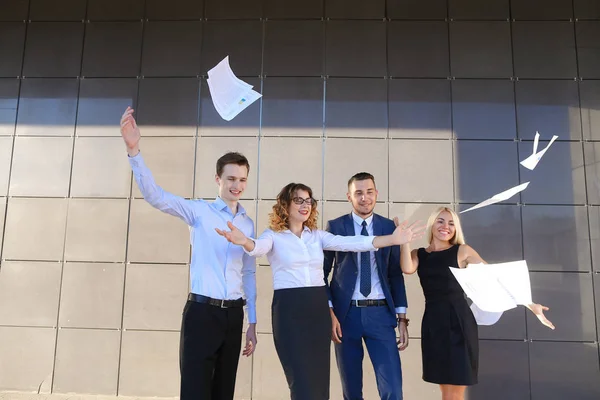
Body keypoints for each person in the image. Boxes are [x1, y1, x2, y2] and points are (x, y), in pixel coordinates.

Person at [216, 182, 424, 400]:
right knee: (300, 380)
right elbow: (258, 248)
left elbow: (354, 243)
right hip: (289, 309)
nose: (305, 205)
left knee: (319, 381)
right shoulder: (273, 235)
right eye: (298, 200)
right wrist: (244, 242)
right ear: (285, 205)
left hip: (317, 308)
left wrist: (394, 239)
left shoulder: (317, 235)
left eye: (308, 201)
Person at [119, 107, 257, 400]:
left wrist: (252, 322)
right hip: (202, 313)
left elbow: (248, 273)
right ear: (217, 179)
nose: (237, 186)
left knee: (224, 393)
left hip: (233, 316)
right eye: (231, 179)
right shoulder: (199, 211)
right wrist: (134, 151)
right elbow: (156, 196)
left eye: (242, 180)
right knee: (195, 391)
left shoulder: (247, 223)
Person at [399, 206, 555, 400]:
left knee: (456, 389)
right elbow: (407, 268)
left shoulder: (462, 251)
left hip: (459, 322)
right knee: (445, 388)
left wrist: (530, 304)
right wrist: (403, 241)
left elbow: (496, 278)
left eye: (451, 223)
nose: (445, 227)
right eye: (440, 221)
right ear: (432, 224)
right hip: (433, 323)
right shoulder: (419, 254)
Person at [324, 172, 413, 400]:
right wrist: (330, 312)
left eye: (369, 192)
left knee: (392, 389)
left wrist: (402, 318)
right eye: (358, 193)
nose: (364, 198)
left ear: (377, 194)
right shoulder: (335, 226)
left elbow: (395, 275)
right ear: (349, 197)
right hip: (346, 317)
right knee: (352, 391)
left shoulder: (388, 227)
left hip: (381, 316)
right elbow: (320, 274)